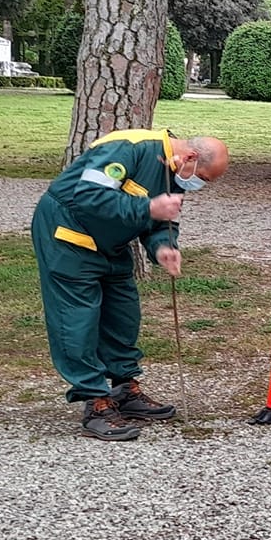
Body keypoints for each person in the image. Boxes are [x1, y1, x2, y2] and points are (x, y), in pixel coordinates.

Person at [32, 130, 230, 441]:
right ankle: (95, 402)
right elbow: (89, 195)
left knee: (124, 313)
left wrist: (164, 247)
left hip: (112, 245)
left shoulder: (175, 172)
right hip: (68, 236)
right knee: (77, 319)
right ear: (191, 158)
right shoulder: (129, 147)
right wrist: (147, 209)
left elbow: (164, 222)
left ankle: (125, 389)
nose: (199, 184)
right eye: (204, 178)